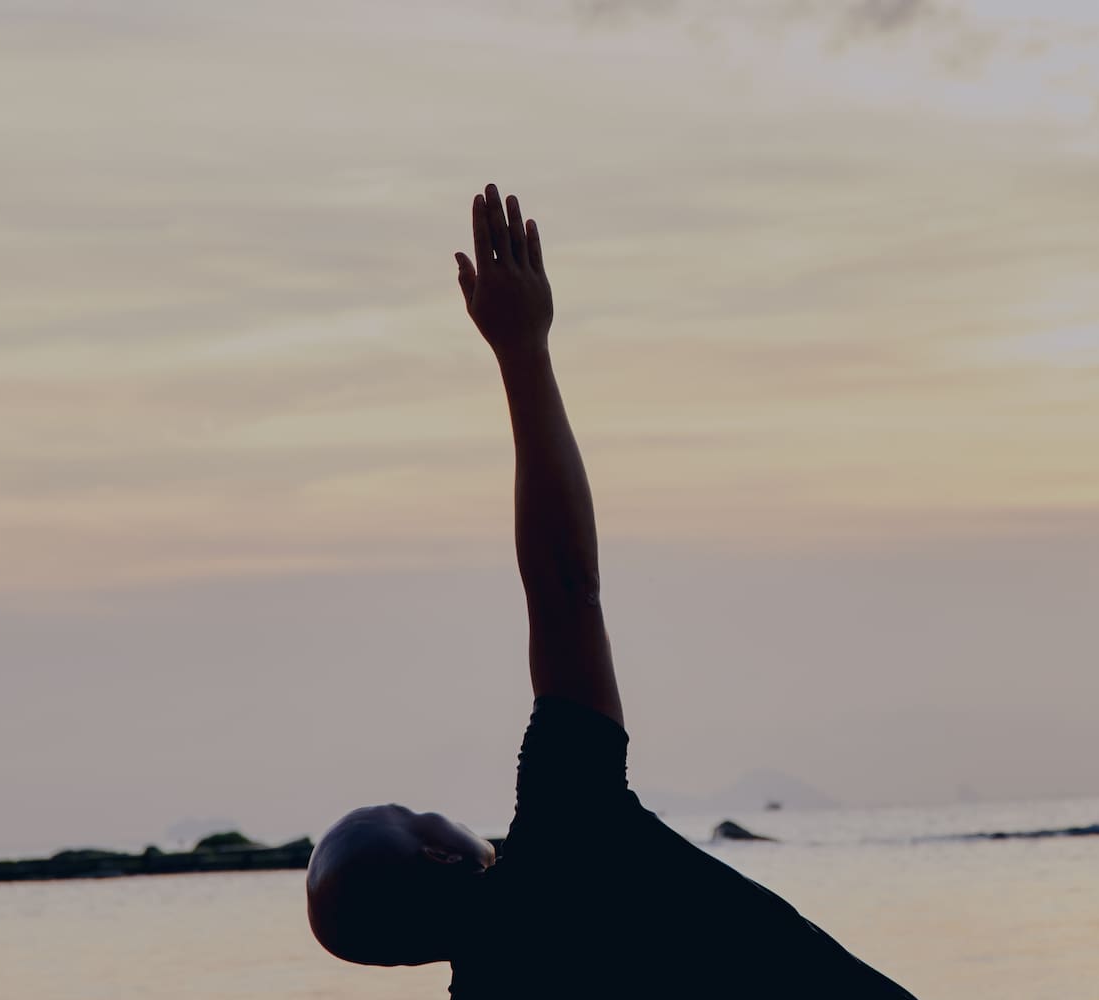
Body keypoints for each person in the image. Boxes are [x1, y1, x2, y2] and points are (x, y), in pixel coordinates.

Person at [305, 185, 919, 998]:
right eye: (419, 814)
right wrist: (523, 353)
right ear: (440, 854)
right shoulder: (570, 833)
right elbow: (567, 591)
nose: (442, 813)